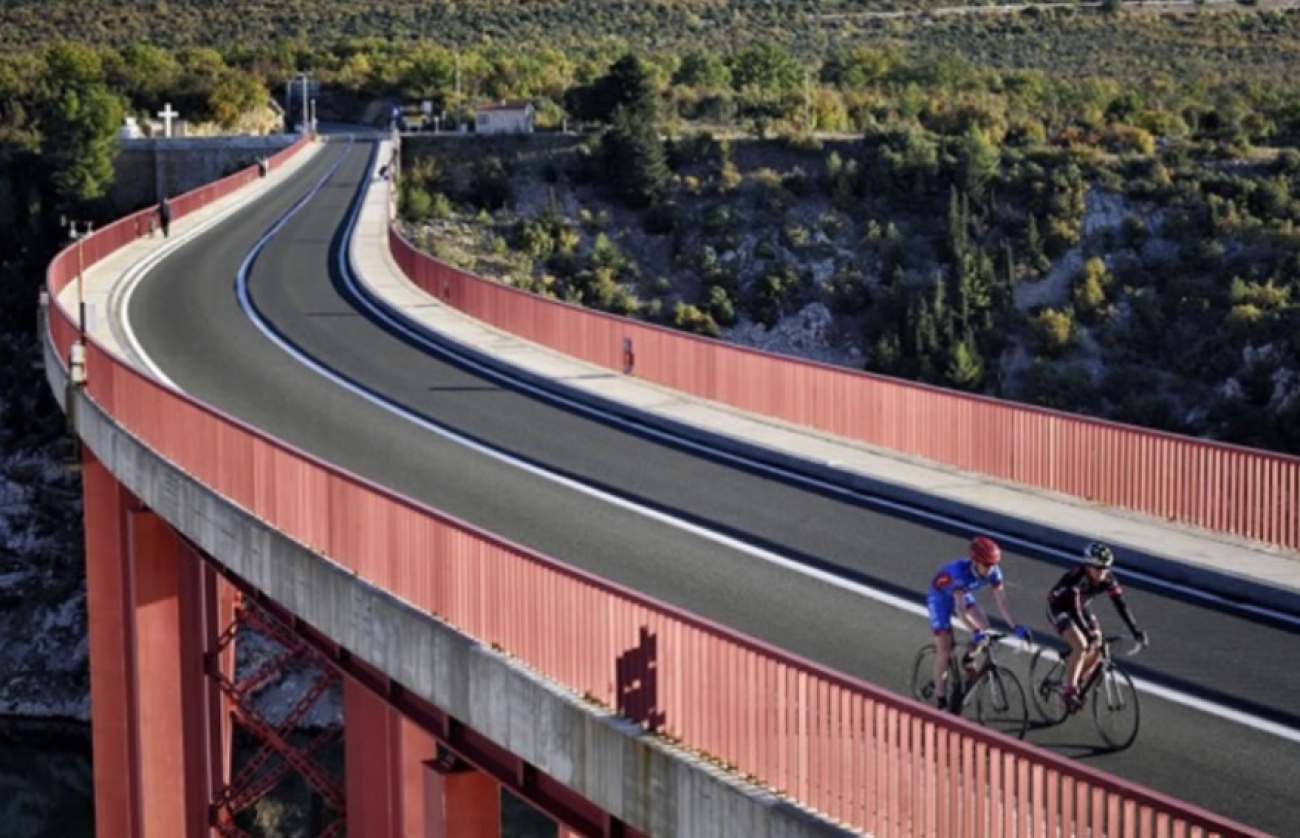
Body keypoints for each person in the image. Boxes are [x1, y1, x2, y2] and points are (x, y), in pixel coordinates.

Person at [926, 535, 1030, 711]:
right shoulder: (959, 573)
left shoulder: (994, 572)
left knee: (985, 627)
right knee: (944, 652)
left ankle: (968, 659)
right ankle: (941, 699)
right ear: (975, 561)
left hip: (962, 593)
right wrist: (974, 631)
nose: (990, 570)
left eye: (994, 565)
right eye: (987, 565)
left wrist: (1015, 626)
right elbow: (960, 610)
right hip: (940, 598)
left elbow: (1002, 602)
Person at [1046, 542, 1149, 713]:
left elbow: (1120, 605)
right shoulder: (1077, 579)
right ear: (1088, 566)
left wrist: (1135, 630)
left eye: (1106, 568)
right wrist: (1087, 633)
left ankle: (1078, 676)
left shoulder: (1108, 578)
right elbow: (1074, 610)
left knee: (1099, 645)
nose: (1102, 573)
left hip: (1081, 606)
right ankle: (1069, 691)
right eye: (1098, 569)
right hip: (1060, 607)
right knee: (1081, 645)